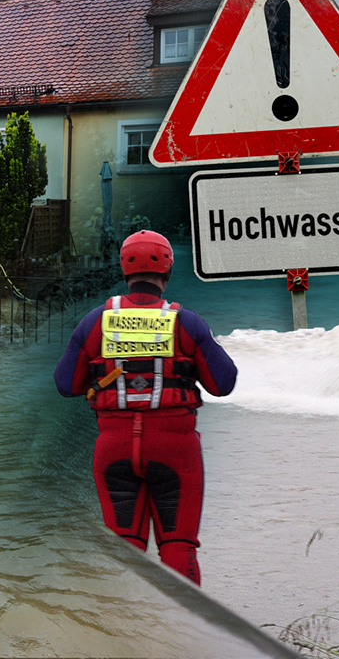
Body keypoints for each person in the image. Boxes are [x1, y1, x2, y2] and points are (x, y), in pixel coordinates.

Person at [54, 230, 237, 585]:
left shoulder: (94, 322)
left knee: (124, 550)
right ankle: (183, 635)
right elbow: (223, 382)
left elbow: (66, 385)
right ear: (167, 271)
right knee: (178, 547)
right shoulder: (187, 322)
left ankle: (121, 634)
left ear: (124, 269)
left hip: (114, 449)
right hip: (175, 451)